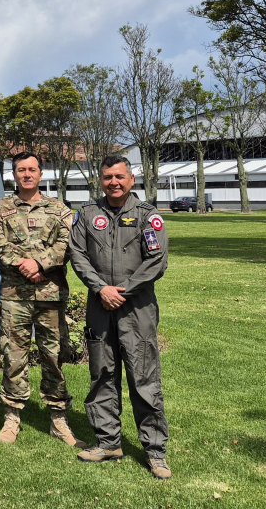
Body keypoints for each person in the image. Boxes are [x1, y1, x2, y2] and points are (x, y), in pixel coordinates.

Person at [69, 155, 171, 479]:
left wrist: (121, 290)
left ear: (131, 178)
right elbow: (77, 254)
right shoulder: (87, 214)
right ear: (100, 179)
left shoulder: (147, 216)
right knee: (101, 374)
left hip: (136, 310)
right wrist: (101, 289)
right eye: (107, 177)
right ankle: (108, 441)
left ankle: (155, 452)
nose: (113, 182)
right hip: (100, 307)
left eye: (119, 176)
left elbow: (156, 261)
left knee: (143, 379)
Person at [0, 152, 86, 447]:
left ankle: (58, 419)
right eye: (20, 170)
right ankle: (12, 416)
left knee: (53, 357)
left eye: (31, 170)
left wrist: (40, 263)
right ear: (13, 175)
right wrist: (25, 265)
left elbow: (67, 244)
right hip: (15, 296)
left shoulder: (59, 210)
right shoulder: (0, 209)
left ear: (41, 174)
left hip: (50, 295)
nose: (26, 174)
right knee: (13, 354)